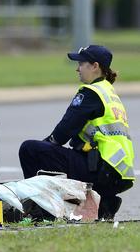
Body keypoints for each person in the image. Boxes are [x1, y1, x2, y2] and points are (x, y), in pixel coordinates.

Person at [18, 45, 134, 219]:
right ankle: (103, 201)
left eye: (81, 63)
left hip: (101, 170)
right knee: (67, 154)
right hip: (116, 173)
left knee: (30, 150)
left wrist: (44, 145)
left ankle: (40, 210)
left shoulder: (91, 93)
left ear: (95, 66)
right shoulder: (109, 92)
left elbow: (61, 133)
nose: (77, 68)